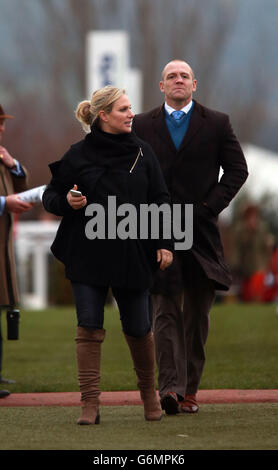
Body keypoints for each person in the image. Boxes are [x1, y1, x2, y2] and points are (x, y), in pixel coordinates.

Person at [42, 86, 173, 425]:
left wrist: (165, 243)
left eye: (130, 109)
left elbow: (160, 200)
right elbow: (51, 195)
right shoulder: (77, 154)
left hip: (133, 252)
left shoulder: (144, 153)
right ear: (103, 115)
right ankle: (90, 404)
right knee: (88, 325)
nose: (131, 114)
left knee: (139, 327)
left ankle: (149, 397)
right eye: (124, 109)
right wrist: (65, 202)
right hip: (87, 254)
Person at [132, 60, 248, 415]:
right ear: (161, 85)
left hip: (201, 233)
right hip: (159, 230)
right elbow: (130, 171)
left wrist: (208, 207)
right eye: (171, 76)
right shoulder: (141, 124)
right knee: (165, 309)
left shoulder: (217, 123)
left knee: (197, 313)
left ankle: (190, 391)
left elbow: (238, 170)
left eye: (184, 76)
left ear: (194, 84)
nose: (178, 80)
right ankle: (170, 389)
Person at [0, 104, 32, 398]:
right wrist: (3, 204)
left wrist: (14, 165)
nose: (1, 128)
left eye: (2, 123)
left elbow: (20, 186)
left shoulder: (1, 155)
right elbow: (8, 199)